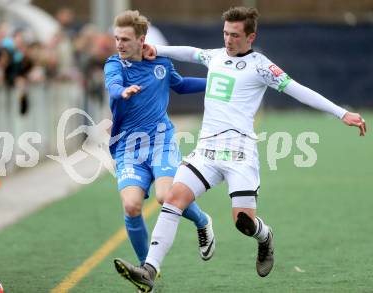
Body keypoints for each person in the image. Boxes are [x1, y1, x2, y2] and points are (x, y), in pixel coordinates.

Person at [113, 6, 367, 292]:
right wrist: (157, 48)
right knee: (172, 199)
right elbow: (191, 51)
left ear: (250, 36)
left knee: (243, 222)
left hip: (240, 155)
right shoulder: (216, 56)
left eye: (235, 35)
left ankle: (264, 236)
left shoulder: (262, 66)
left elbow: (299, 89)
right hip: (206, 151)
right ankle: (150, 269)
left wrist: (341, 113)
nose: (228, 40)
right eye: (225, 33)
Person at [104, 10, 216, 278]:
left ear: (141, 40)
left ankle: (203, 222)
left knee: (166, 196)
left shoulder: (161, 64)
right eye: (117, 38)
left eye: (125, 40)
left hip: (160, 142)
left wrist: (214, 82)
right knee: (131, 206)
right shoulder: (114, 64)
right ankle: (147, 268)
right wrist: (123, 92)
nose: (119, 44)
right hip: (127, 147)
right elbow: (112, 85)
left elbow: (180, 85)